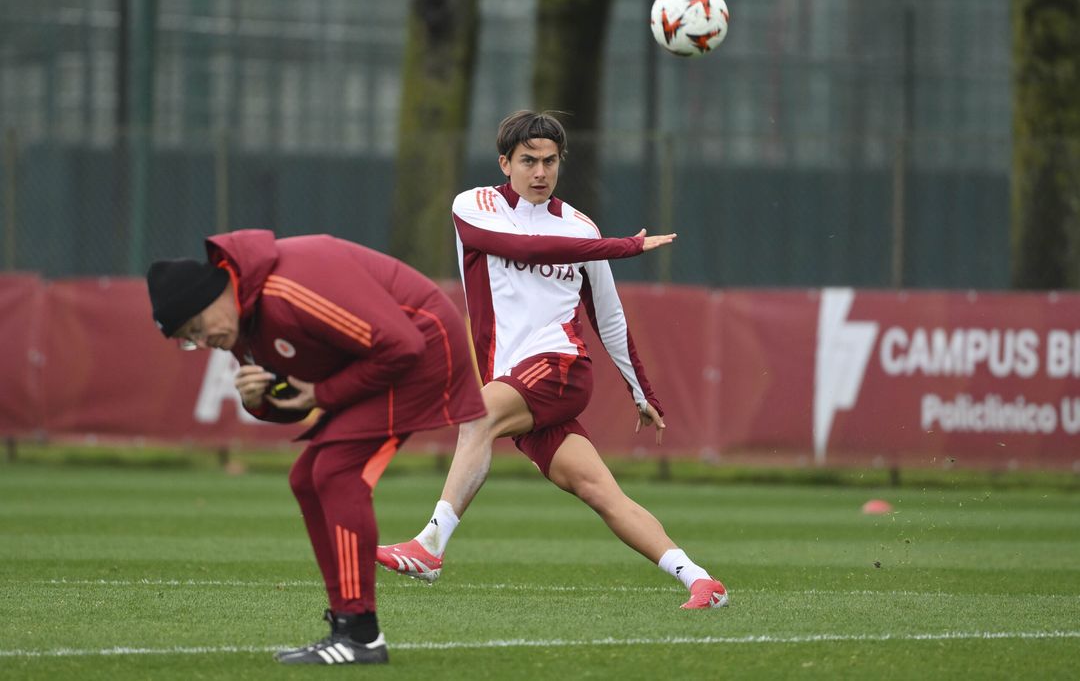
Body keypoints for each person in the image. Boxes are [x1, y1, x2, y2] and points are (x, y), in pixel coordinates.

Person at [377, 111, 728, 609]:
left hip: (560, 366)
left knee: (476, 415)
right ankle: (701, 581)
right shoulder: (475, 206)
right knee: (600, 492)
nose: (540, 172)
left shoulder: (581, 226)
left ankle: (429, 545)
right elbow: (526, 245)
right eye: (528, 161)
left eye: (550, 161)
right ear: (505, 162)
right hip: (515, 382)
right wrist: (625, 246)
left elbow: (609, 317)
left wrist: (641, 391)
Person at [145, 229, 487, 665]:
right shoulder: (240, 321)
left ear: (215, 294)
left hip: (425, 344)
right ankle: (346, 623)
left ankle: (360, 635)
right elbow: (293, 398)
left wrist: (321, 394)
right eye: (190, 338)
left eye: (196, 327)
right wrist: (260, 402)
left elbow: (402, 346)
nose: (202, 341)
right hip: (385, 359)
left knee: (336, 472)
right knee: (306, 478)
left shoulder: (284, 291)